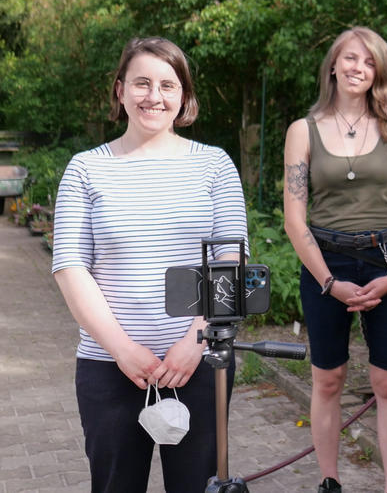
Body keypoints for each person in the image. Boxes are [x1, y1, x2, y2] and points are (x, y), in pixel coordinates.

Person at [52, 37, 249, 492]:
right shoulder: (85, 169)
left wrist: (196, 339)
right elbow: (70, 267)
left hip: (199, 365)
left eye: (168, 85)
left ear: (184, 97)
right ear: (120, 90)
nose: (154, 96)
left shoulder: (214, 165)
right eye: (141, 83)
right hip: (110, 368)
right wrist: (123, 349)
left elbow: (232, 262)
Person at [283, 26, 387, 493]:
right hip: (327, 263)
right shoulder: (302, 132)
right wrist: (327, 282)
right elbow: (294, 219)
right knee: (329, 379)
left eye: (368, 62)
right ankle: (329, 481)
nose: (357, 68)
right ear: (333, 65)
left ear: (377, 71)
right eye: (349, 58)